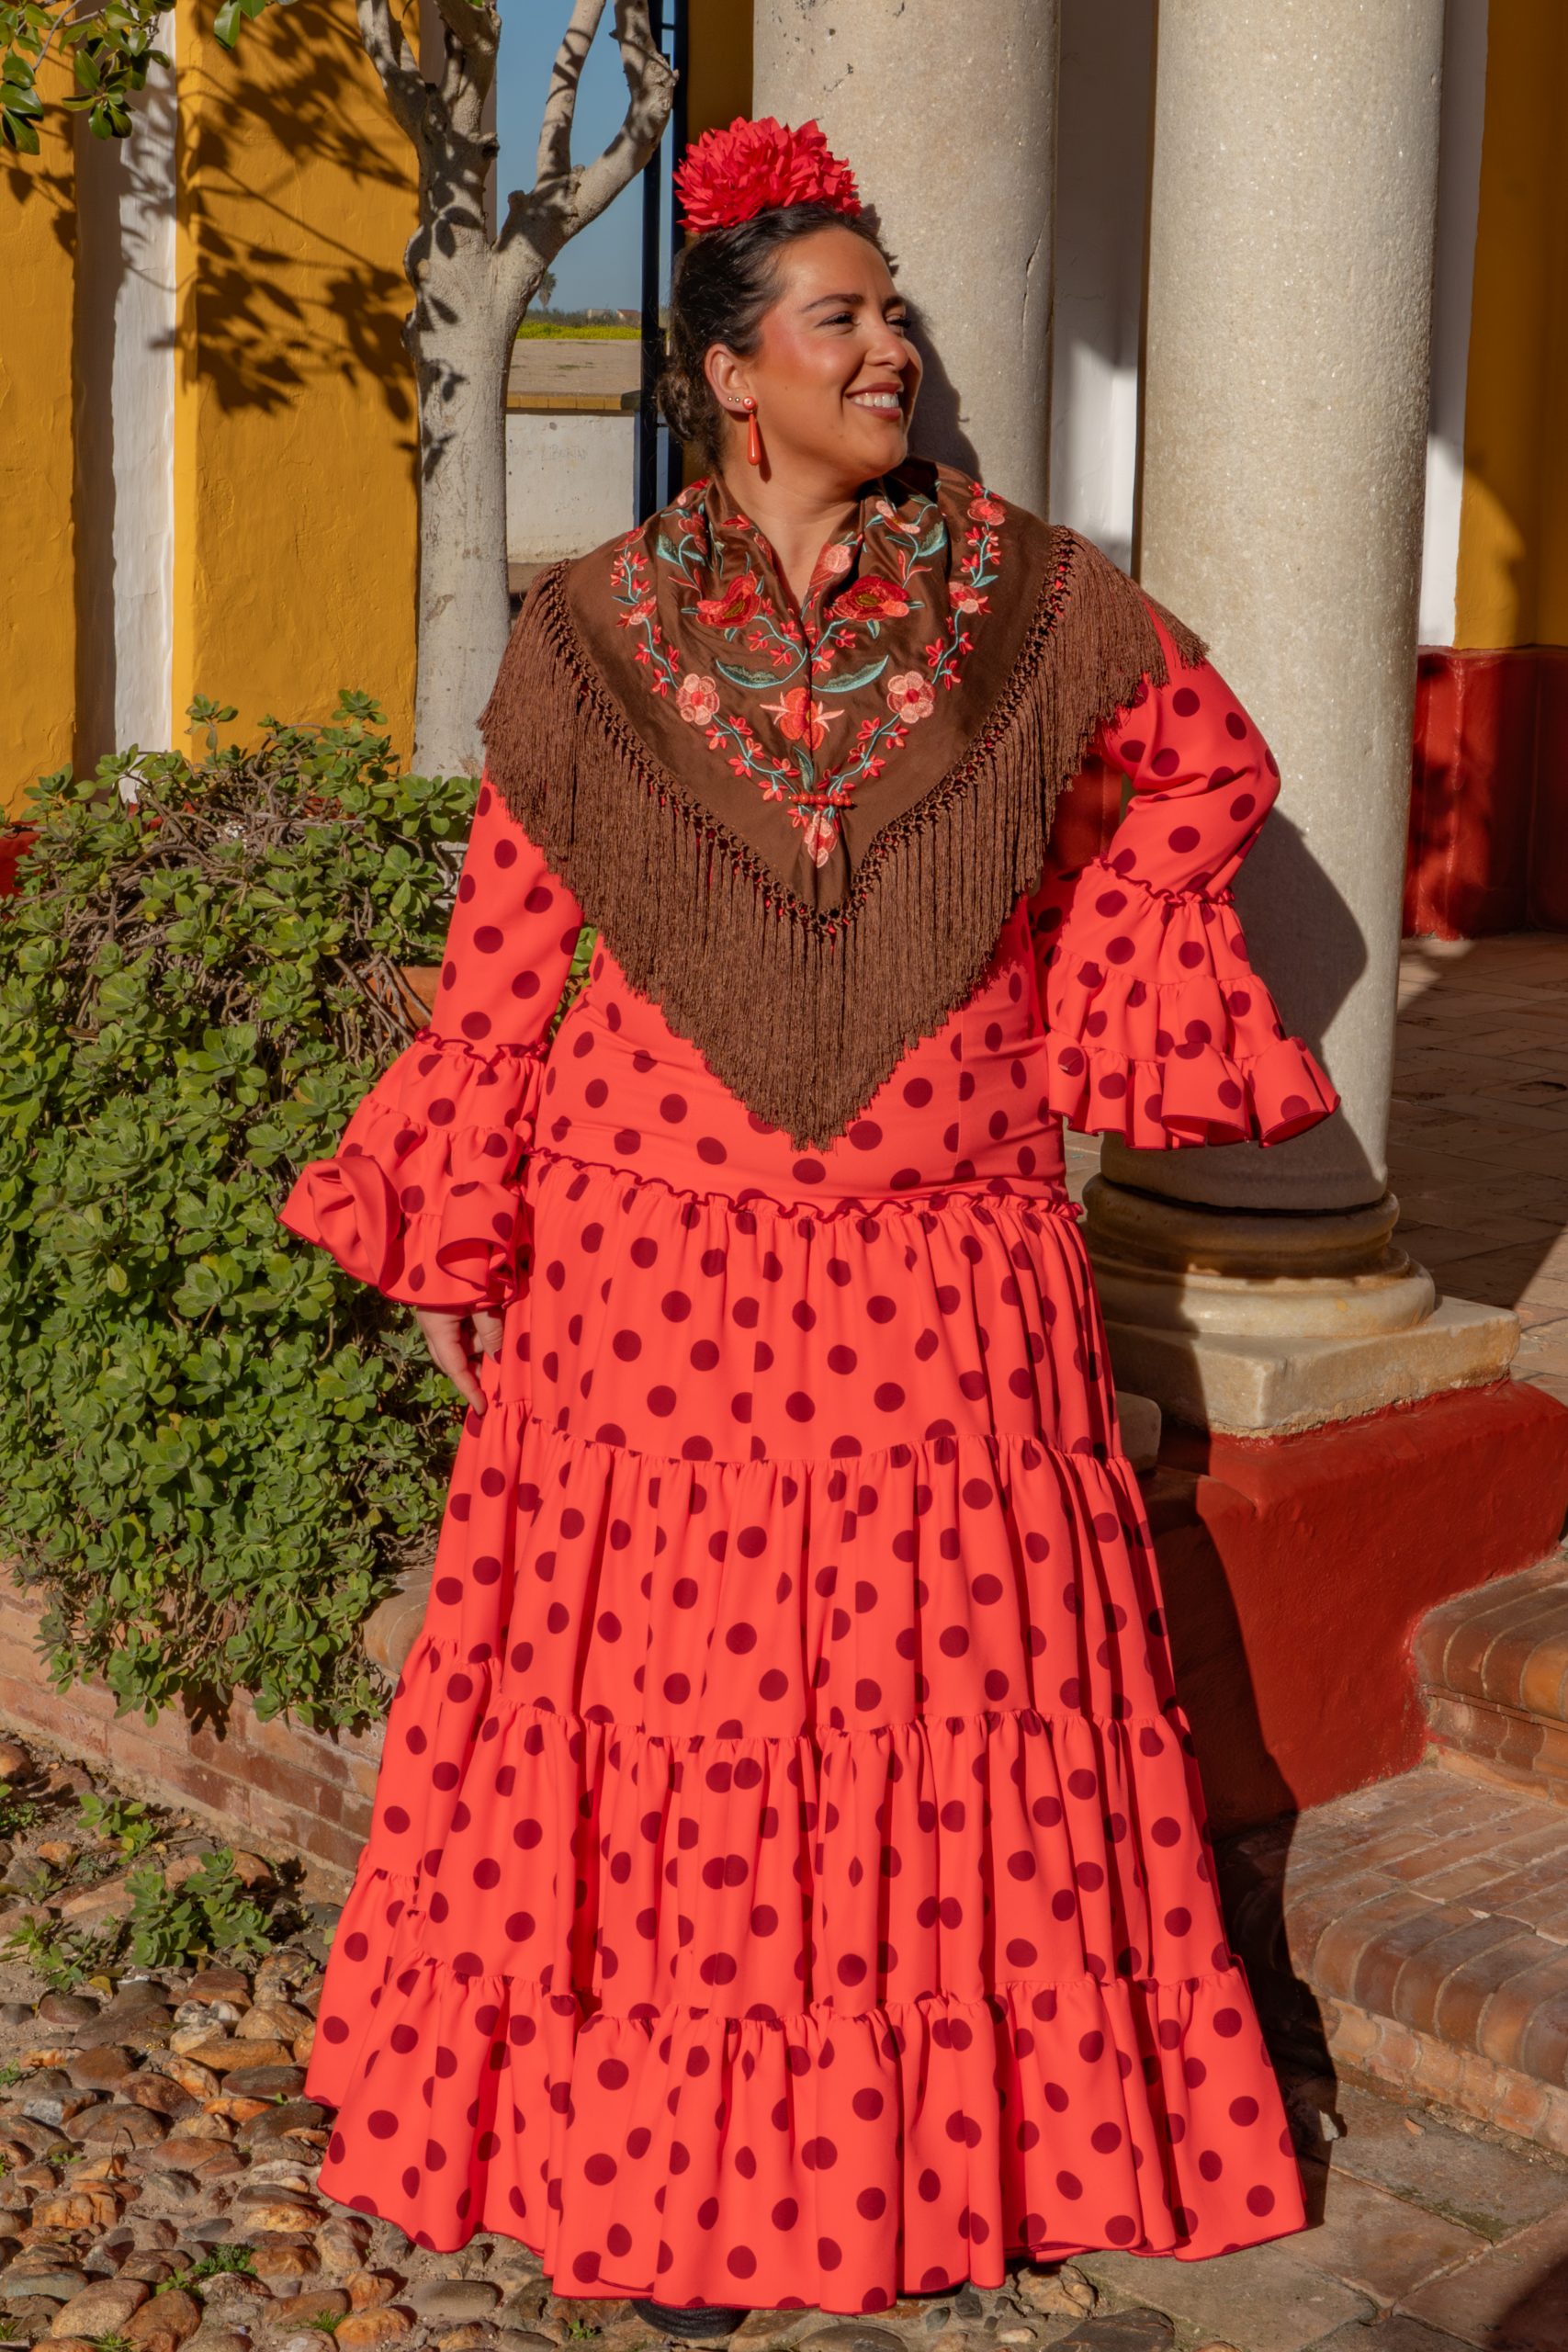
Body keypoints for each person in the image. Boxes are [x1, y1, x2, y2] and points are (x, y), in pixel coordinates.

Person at [280, 114, 1338, 2339]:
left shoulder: (1026, 598)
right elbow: (508, 932)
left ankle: (973, 2152)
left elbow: (1206, 767)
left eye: (896, 316)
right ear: (729, 375)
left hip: (938, 1257)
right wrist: (462, 1228)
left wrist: (1088, 972)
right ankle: (676, 2190)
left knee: (930, 1694)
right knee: (688, 1707)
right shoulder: (594, 632)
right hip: (649, 1267)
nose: (892, 351)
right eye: (840, 318)